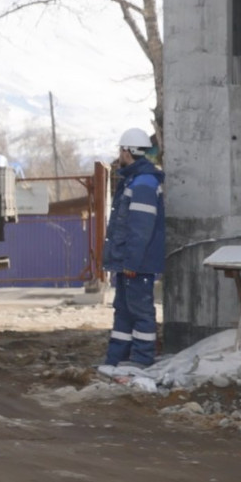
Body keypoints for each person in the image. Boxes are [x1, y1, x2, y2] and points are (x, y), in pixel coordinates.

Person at [100, 127, 166, 374]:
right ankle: (116, 359)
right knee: (124, 313)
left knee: (140, 312)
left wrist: (131, 262)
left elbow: (140, 229)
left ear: (127, 151)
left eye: (121, 150)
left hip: (137, 264)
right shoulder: (136, 181)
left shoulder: (143, 184)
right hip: (130, 263)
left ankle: (142, 359)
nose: (119, 154)